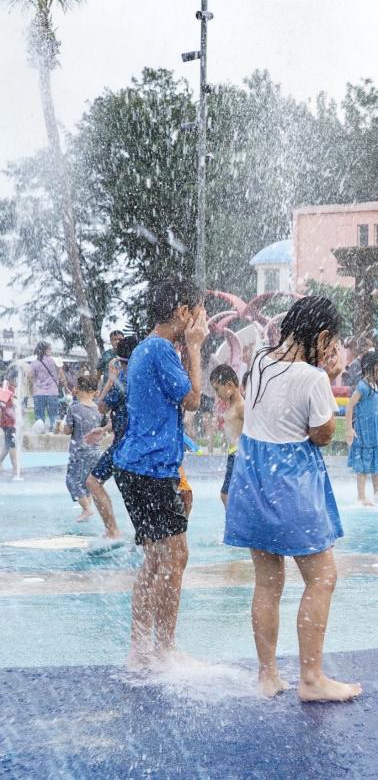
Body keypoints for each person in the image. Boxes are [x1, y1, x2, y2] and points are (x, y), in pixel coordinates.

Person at [224, 296, 361, 702]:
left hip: (253, 476)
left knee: (268, 582)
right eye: (331, 341)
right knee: (321, 577)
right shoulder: (314, 378)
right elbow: (321, 436)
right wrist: (326, 374)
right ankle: (312, 679)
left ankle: (267, 675)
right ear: (321, 337)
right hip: (290, 482)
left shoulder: (260, 361)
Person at [112, 278, 208, 670]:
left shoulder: (146, 349)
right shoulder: (159, 350)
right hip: (150, 469)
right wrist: (197, 348)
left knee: (157, 560)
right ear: (183, 312)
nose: (203, 320)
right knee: (173, 558)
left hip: (140, 466)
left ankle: (141, 649)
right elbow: (193, 399)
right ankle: (161, 649)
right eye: (199, 311)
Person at [84, 335, 137, 540]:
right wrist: (106, 428)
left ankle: (112, 529)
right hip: (136, 442)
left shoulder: (123, 379)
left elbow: (101, 405)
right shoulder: (142, 377)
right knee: (135, 492)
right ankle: (144, 536)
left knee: (93, 481)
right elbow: (127, 413)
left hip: (123, 445)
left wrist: (110, 378)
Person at [345, 350, 378, 506]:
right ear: (372, 367)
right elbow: (350, 407)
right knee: (364, 465)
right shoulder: (363, 386)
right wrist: (348, 429)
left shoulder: (375, 386)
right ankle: (361, 496)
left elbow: (375, 408)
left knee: (376, 461)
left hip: (376, 429)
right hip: (364, 431)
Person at [65, 375, 104, 523]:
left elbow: (68, 430)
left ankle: (87, 509)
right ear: (95, 391)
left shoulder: (74, 408)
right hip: (95, 452)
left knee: (72, 481)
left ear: (78, 389)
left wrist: (62, 428)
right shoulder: (98, 410)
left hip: (79, 452)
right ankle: (86, 509)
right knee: (87, 482)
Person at [210, 364, 244, 508]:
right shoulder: (232, 405)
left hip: (239, 455)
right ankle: (236, 522)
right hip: (233, 455)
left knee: (226, 494)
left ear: (229, 385)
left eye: (217, 389)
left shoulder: (241, 406)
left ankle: (235, 524)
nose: (217, 394)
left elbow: (252, 430)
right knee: (232, 493)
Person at [29, 341, 65, 432]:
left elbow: (30, 377)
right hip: (52, 393)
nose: (51, 350)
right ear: (46, 350)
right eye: (50, 348)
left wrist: (33, 387)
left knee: (39, 417)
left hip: (38, 393)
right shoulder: (55, 361)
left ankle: (40, 437)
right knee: (53, 416)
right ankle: (53, 434)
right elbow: (61, 376)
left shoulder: (34, 363)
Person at [0, 366, 21, 480]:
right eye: (17, 379)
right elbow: (5, 405)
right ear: (13, 379)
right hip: (8, 423)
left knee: (8, 445)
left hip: (6, 422)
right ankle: (15, 469)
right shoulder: (8, 390)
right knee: (12, 444)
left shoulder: (5, 389)